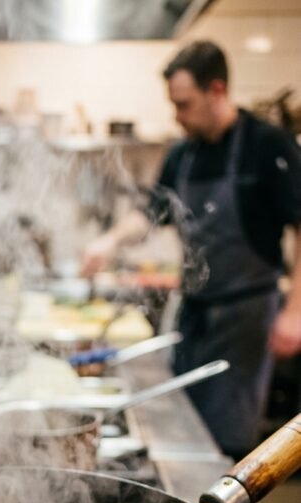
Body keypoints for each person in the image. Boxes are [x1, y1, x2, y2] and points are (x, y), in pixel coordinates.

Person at [80, 41, 301, 460]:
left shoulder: (267, 144)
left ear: (217, 90)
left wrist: (295, 312)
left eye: (184, 104)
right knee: (181, 428)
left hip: (244, 319)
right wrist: (108, 241)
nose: (177, 116)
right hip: (193, 312)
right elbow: (151, 213)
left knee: (225, 440)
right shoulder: (184, 153)